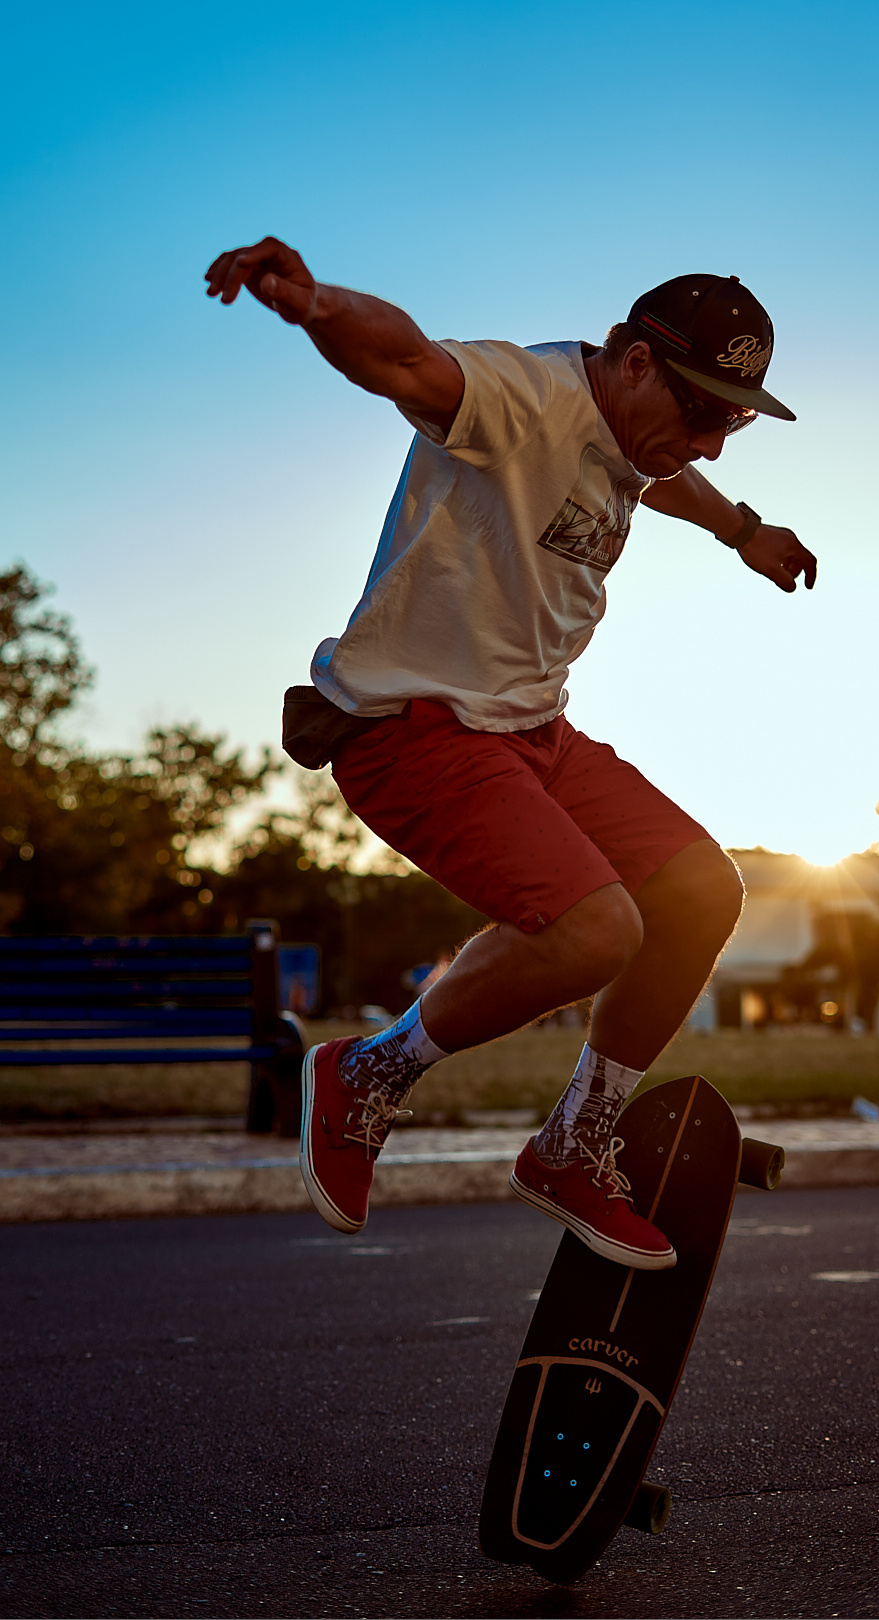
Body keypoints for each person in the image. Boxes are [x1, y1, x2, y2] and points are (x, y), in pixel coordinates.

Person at [205, 239, 816, 1271]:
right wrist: (314, 305)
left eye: (734, 421)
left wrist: (743, 530)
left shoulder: (641, 439)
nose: (712, 443)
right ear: (630, 362)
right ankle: (366, 1075)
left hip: (532, 733)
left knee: (703, 891)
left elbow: (658, 477)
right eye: (703, 413)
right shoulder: (521, 394)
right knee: (596, 931)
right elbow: (404, 363)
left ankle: (575, 1144)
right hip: (410, 731)